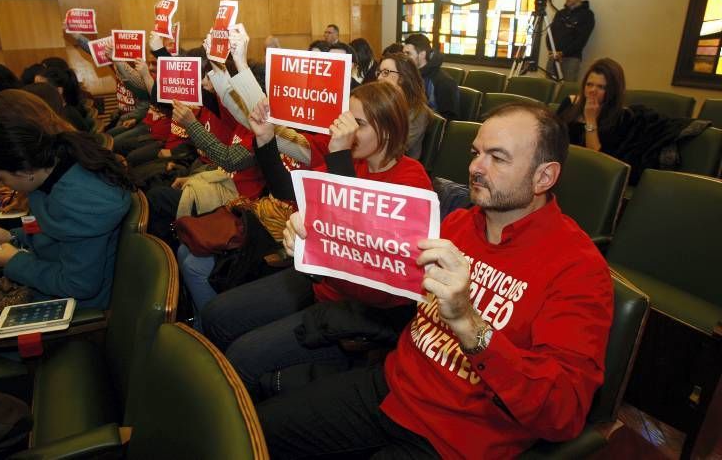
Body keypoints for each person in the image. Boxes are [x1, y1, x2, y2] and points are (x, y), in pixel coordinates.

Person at [257, 102, 614, 459]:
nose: (476, 167)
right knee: (256, 431)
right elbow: (387, 296)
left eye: (498, 158)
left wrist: (470, 325)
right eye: (476, 153)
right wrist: (319, 252)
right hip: (393, 389)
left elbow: (562, 412)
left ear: (544, 177)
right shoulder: (457, 225)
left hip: (456, 438)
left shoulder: (578, 269)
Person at [201, 82, 433, 400]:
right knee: (217, 314)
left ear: (389, 129)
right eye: (347, 119)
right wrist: (266, 139)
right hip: (322, 283)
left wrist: (339, 155)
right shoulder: (356, 164)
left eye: (359, 124)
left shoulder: (412, 179)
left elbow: (358, 243)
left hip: (357, 308)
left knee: (243, 358)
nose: (347, 130)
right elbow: (288, 191)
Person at [0, 115, 134, 314]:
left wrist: (15, 261)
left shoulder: (77, 205)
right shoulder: (57, 169)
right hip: (57, 279)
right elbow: (53, 229)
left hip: (76, 304)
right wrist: (12, 235)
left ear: (24, 170)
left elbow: (79, 285)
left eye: (0, 178)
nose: (2, 185)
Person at [557, 57, 709, 184]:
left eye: (601, 87)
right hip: (562, 167)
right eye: (589, 84)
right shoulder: (570, 103)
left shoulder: (621, 118)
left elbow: (599, 162)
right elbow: (552, 138)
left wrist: (591, 120)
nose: (592, 91)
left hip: (589, 176)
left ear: (612, 91)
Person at [377, 52, 432, 159]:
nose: (379, 77)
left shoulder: (418, 112)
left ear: (402, 78)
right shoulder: (382, 103)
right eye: (379, 72)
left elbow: (395, 148)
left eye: (385, 72)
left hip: (400, 166)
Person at [402, 34, 463, 121]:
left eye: (408, 53)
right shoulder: (407, 76)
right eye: (403, 53)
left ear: (422, 55)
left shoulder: (445, 82)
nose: (404, 58)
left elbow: (449, 121)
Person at [547, 0, 595, 82]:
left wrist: (563, 53)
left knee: (566, 89)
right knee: (547, 86)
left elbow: (581, 40)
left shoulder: (587, 15)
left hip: (571, 59)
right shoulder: (560, 13)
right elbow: (550, 32)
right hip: (553, 57)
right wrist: (551, 49)